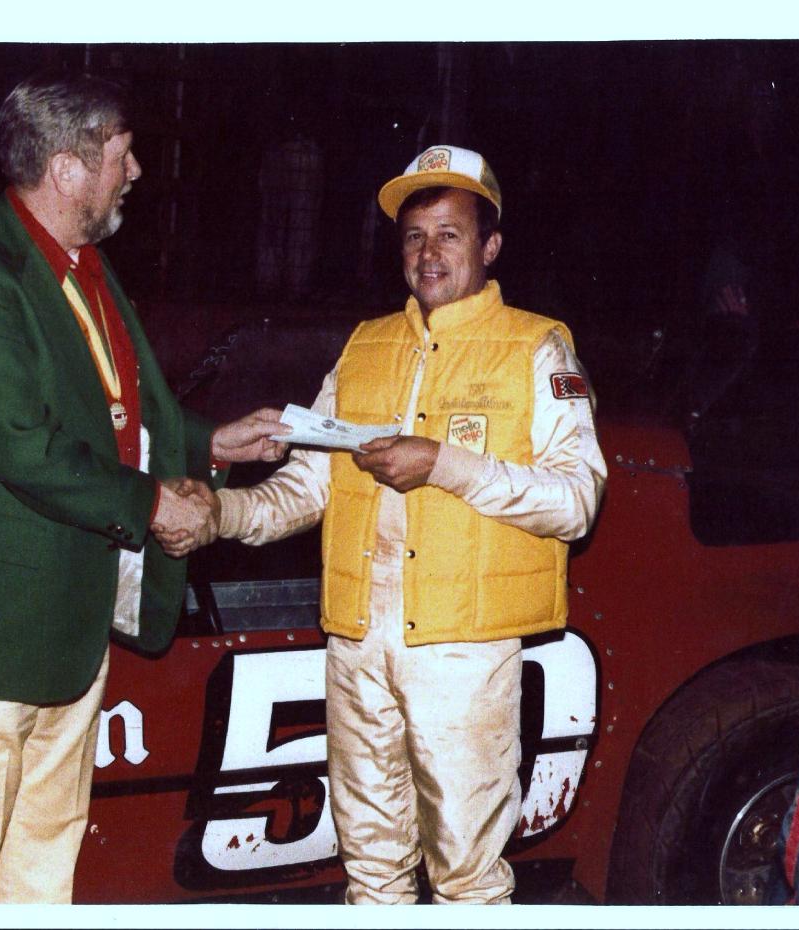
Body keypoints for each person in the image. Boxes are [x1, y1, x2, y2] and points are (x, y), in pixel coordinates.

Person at [160, 145, 607, 904]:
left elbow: (576, 500)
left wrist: (444, 465)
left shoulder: (536, 347)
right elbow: (309, 486)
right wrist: (221, 513)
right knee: (369, 870)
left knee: (467, 875)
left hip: (463, 655)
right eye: (414, 236)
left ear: (491, 246)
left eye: (450, 234)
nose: (429, 253)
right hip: (358, 646)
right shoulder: (365, 347)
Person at [0, 72, 287, 905]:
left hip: (69, 627)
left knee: (43, 876)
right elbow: (22, 442)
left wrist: (207, 443)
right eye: (122, 154)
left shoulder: (88, 268)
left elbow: (117, 410)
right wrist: (152, 503)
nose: (135, 171)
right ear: (67, 168)